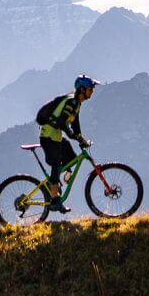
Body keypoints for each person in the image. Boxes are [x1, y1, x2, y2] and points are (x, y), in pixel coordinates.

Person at [34, 75, 98, 212]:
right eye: (90, 89)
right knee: (57, 165)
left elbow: (75, 124)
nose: (92, 91)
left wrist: (80, 138)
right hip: (48, 137)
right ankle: (55, 199)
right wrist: (73, 136)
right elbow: (62, 122)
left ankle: (54, 183)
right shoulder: (71, 102)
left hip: (55, 137)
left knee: (71, 158)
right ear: (82, 90)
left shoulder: (77, 103)